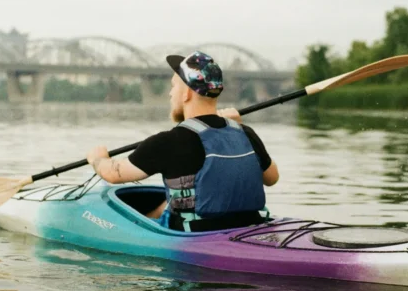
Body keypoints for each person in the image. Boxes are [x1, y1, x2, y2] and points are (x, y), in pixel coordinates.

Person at [87, 51, 279, 232]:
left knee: (172, 204)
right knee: (170, 201)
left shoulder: (168, 142)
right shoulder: (244, 133)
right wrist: (238, 126)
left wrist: (98, 159)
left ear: (187, 93)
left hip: (196, 237)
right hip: (249, 228)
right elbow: (272, 178)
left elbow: (114, 174)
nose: (170, 94)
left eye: (173, 87)